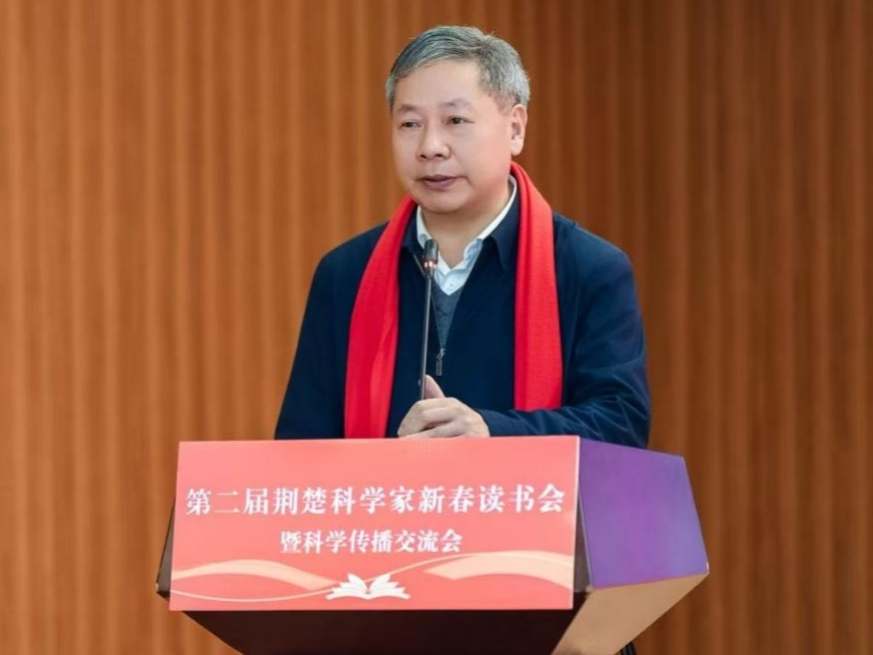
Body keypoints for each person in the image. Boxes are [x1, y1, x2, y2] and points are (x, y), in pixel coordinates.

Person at [275, 26, 649, 449]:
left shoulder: (589, 268)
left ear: (515, 128)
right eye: (410, 123)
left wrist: (493, 432)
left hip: (525, 495)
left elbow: (621, 424)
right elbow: (300, 446)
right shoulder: (346, 274)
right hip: (383, 497)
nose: (431, 146)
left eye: (455, 121)